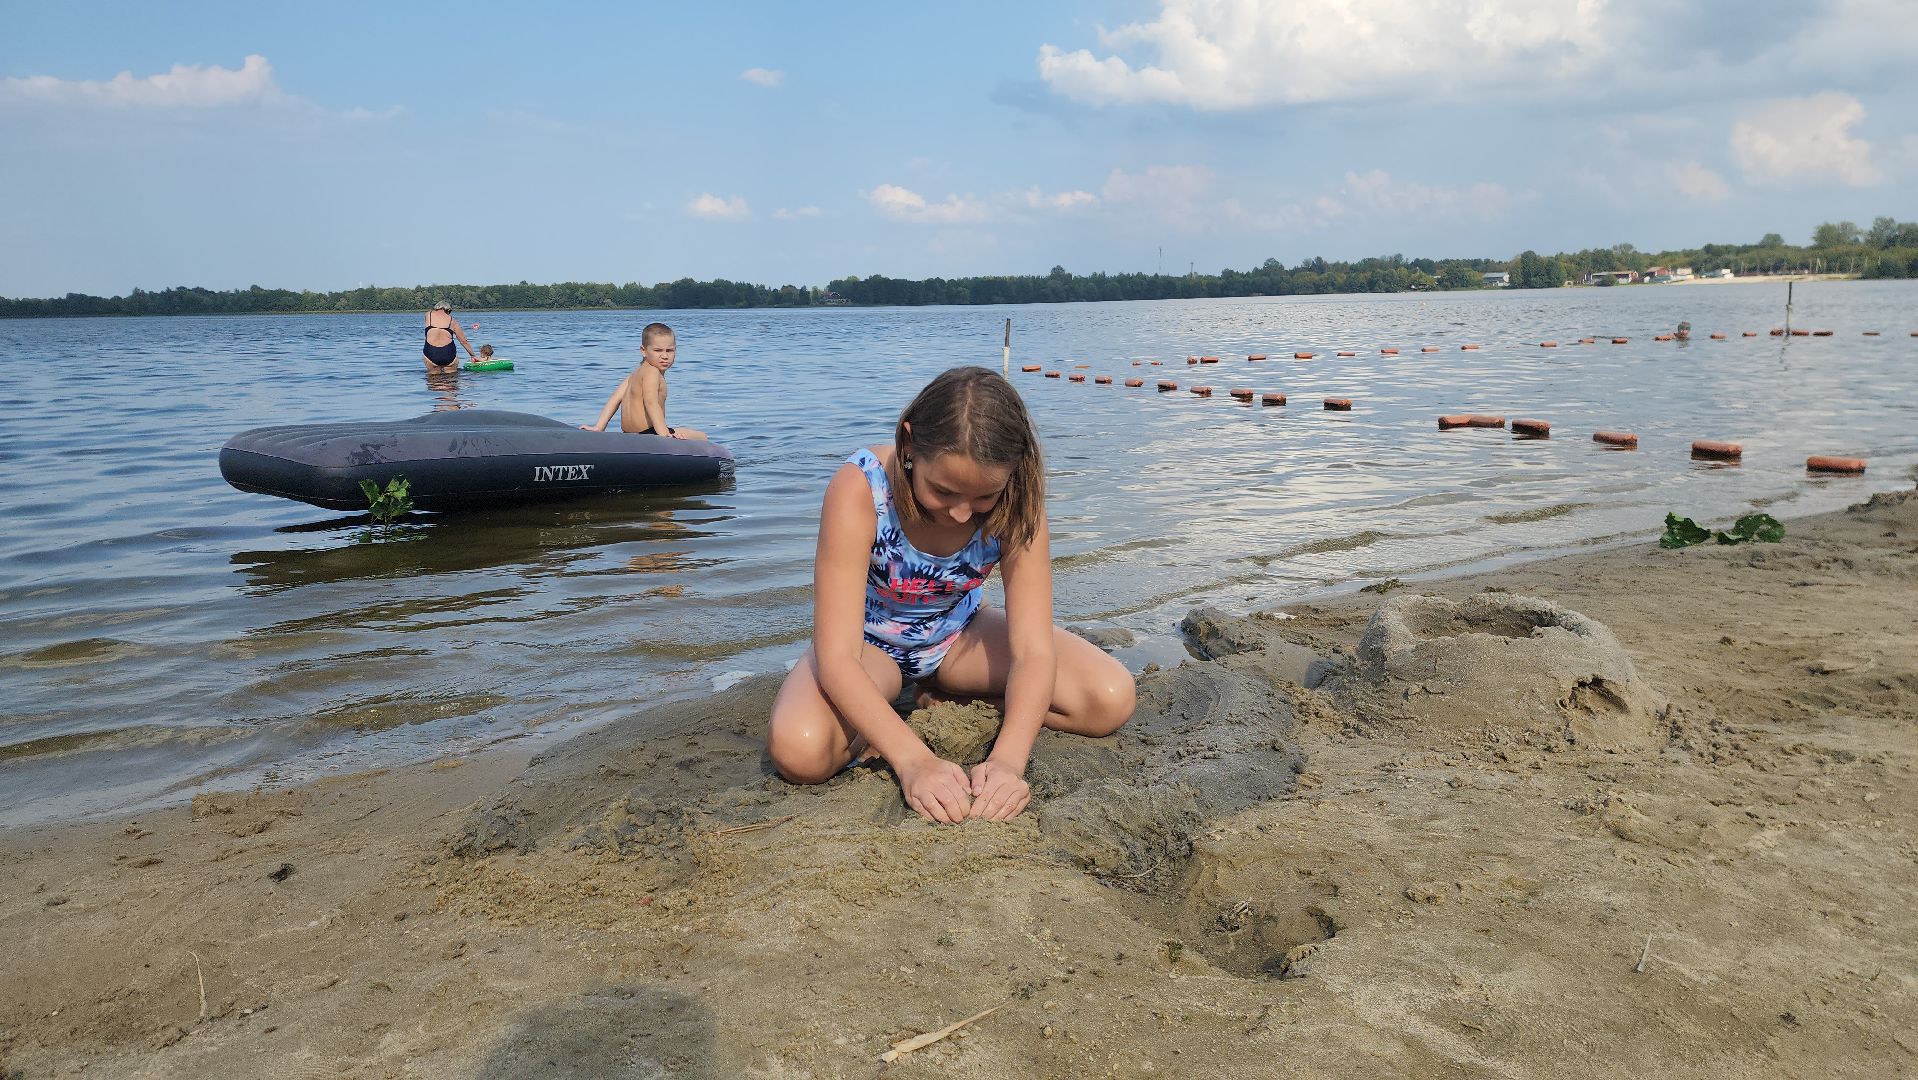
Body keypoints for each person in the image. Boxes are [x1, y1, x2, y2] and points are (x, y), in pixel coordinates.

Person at [767, 366, 1135, 823]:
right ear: (909, 444)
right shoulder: (861, 489)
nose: (962, 514)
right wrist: (913, 760)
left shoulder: (1018, 503)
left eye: (983, 498)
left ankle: (936, 693)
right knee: (801, 752)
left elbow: (1034, 652)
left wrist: (1006, 762)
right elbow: (836, 655)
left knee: (1109, 698)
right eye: (942, 490)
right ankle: (887, 712)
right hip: (865, 647)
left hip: (957, 637)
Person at [582, 322, 708, 439]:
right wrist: (664, 434)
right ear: (643, 351)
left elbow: (614, 399)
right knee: (702, 437)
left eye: (669, 350)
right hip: (650, 432)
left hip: (629, 434)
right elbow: (651, 402)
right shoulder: (652, 372)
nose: (664, 356)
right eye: (658, 350)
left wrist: (599, 427)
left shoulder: (634, 374)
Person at [422, 301, 477, 370]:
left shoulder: (428, 315)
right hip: (448, 352)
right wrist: (472, 355)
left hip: (431, 351)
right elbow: (463, 341)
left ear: (436, 308)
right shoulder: (452, 321)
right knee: (452, 377)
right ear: (448, 310)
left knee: (433, 378)